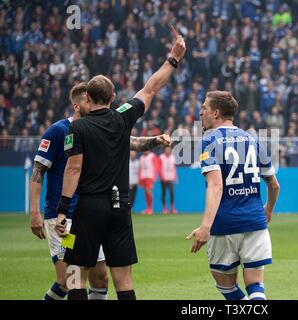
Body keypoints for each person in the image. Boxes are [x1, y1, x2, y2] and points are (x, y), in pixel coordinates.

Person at [54, 28, 185, 300]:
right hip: (119, 207)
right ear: (113, 97)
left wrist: (63, 210)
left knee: (75, 272)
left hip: (88, 208)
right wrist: (173, 58)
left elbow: (73, 169)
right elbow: (150, 88)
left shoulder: (77, 130)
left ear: (87, 99)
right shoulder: (122, 117)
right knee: (123, 279)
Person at [30, 83, 171, 300]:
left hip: (90, 216)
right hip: (64, 219)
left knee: (101, 278)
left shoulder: (98, 126)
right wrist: (34, 212)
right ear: (78, 105)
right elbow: (38, 171)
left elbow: (131, 142)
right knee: (68, 279)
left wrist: (155, 140)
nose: (92, 103)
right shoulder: (58, 131)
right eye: (87, 101)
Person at [187, 91, 280, 300]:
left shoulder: (209, 140)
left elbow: (216, 185)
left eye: (204, 108)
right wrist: (268, 210)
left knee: (226, 286)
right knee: (256, 287)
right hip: (255, 222)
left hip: (224, 225)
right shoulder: (252, 139)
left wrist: (205, 226)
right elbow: (274, 185)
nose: (200, 112)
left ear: (216, 113)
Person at [138, 150, 159, 215]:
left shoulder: (153, 156)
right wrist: (139, 178)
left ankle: (150, 208)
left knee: (149, 192)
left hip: (150, 177)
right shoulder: (141, 158)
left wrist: (154, 177)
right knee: (146, 193)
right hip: (143, 177)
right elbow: (140, 168)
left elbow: (156, 167)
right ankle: (147, 208)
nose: (145, 151)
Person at [159, 145, 177, 214]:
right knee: (164, 193)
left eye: (169, 150)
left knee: (172, 193)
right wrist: (162, 177)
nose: (168, 151)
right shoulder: (161, 157)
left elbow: (174, 168)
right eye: (167, 150)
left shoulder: (173, 157)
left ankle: (172, 208)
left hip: (171, 178)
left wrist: (175, 177)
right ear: (164, 150)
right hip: (163, 179)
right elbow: (159, 168)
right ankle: (164, 209)